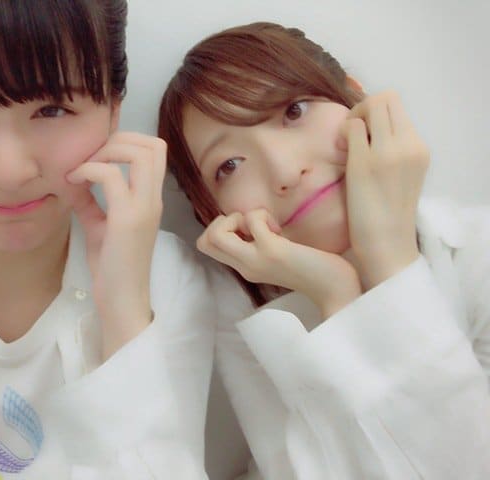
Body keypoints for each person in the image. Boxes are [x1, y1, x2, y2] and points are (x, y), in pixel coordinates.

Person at [0, 1, 243, 478]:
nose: (9, 171)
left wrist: (124, 317)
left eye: (52, 108)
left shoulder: (160, 283)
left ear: (113, 108)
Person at [158, 21, 490, 479]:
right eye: (230, 165)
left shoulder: (478, 252)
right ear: (210, 211)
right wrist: (336, 293)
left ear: (355, 98)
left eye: (293, 111)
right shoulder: (249, 322)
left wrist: (389, 258)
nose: (285, 170)